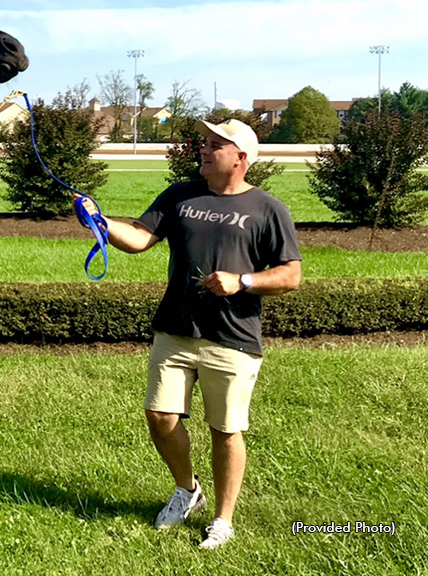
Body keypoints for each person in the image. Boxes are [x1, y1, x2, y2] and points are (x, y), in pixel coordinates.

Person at [103, 119, 302, 549]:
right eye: (205, 144)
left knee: (225, 430)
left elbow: (291, 275)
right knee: (160, 417)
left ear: (241, 158)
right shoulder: (180, 195)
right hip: (175, 329)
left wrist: (242, 281)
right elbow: (139, 238)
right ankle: (186, 489)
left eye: (216, 146)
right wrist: (101, 222)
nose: (204, 150)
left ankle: (223, 519)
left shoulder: (269, 210)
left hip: (232, 337)